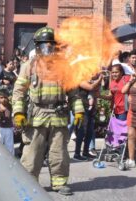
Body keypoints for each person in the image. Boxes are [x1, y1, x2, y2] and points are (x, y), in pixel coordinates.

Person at [12, 27, 84, 195]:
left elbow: (74, 93)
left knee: (59, 152)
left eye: (51, 46)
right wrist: (18, 112)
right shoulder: (28, 66)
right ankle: (29, 183)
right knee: (32, 153)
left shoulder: (65, 68)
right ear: (37, 47)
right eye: (45, 46)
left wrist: (79, 111)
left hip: (58, 116)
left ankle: (59, 183)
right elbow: (18, 92)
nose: (48, 49)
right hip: (37, 115)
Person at [0, 86, 14, 155]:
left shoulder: (10, 106)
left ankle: (10, 159)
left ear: (8, 97)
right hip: (0, 128)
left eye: (5, 97)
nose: (4, 99)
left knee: (9, 146)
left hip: (9, 128)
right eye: (1, 97)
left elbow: (10, 115)